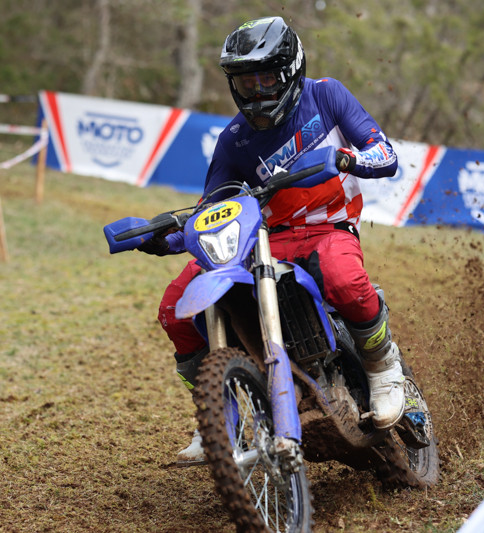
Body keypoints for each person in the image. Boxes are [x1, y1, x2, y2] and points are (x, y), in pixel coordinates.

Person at [141, 16, 406, 464]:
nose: (257, 92)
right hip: (262, 238)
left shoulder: (327, 95)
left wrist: (345, 159)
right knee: (174, 309)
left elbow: (385, 154)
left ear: (290, 70)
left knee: (344, 279)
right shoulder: (235, 140)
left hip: (328, 226)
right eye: (246, 83)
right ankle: (217, 416)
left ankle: (383, 366)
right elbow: (212, 208)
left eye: (267, 78)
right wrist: (166, 239)